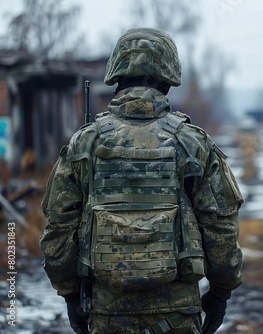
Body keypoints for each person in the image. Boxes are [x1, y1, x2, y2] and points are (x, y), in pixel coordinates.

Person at [40, 27, 244, 334]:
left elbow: (59, 229)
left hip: (108, 312)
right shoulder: (192, 143)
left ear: (117, 76)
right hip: (178, 313)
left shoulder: (85, 144)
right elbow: (220, 227)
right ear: (167, 78)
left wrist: (70, 295)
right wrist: (220, 292)